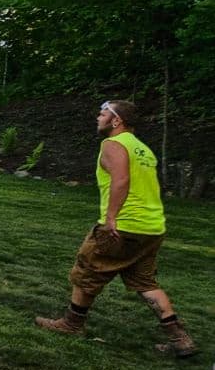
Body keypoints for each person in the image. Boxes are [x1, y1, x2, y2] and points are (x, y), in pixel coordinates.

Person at [36, 100, 195, 357]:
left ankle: (71, 324)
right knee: (144, 282)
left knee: (87, 270)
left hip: (123, 225)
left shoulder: (113, 144)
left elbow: (121, 179)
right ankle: (180, 339)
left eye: (102, 114)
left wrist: (111, 218)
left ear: (116, 120)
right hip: (151, 228)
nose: (97, 118)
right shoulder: (142, 149)